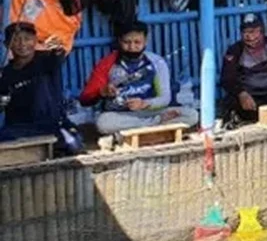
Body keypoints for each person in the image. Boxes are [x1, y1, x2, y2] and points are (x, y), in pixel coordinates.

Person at [80, 22, 199, 135]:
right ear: (119, 41)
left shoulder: (157, 62)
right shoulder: (107, 63)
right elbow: (85, 99)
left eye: (137, 42)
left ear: (145, 41)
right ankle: (156, 124)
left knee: (192, 115)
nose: (132, 47)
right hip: (121, 115)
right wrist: (102, 92)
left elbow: (165, 98)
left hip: (150, 111)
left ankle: (135, 130)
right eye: (127, 42)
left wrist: (144, 104)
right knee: (103, 123)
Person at [0, 22, 78, 153]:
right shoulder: (6, 73)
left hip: (52, 125)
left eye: (27, 38)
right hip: (19, 129)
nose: (22, 44)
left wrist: (57, 47)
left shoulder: (47, 60)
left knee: (74, 147)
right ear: (7, 44)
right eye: (16, 39)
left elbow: (58, 54)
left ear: (36, 40)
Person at [221, 14, 267, 124]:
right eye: (246, 32)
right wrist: (241, 93)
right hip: (250, 97)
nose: (250, 36)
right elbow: (227, 78)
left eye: (254, 31)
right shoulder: (234, 51)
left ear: (262, 31)